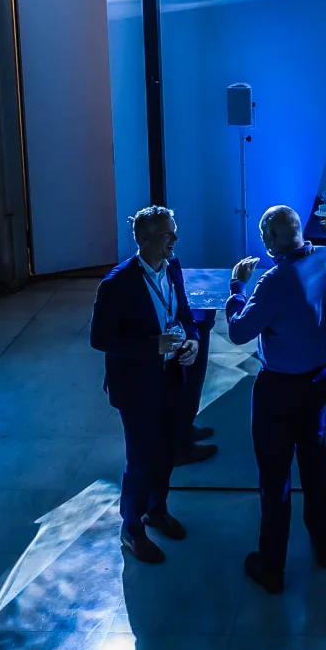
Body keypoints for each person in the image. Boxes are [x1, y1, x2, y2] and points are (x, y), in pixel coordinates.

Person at [226, 204, 326, 592]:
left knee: (275, 475)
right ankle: (325, 546)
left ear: (270, 239)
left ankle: (271, 566)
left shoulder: (275, 280)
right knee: (315, 460)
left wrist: (237, 289)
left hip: (280, 388)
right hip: (323, 378)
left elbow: (239, 332)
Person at [91, 205, 212, 564]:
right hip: (137, 386)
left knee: (167, 451)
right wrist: (152, 346)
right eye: (167, 234)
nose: (175, 239)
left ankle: (157, 511)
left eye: (174, 231)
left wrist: (192, 341)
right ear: (144, 239)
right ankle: (132, 529)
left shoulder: (172, 267)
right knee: (141, 459)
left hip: (172, 376)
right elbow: (100, 338)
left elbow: (184, 315)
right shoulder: (117, 283)